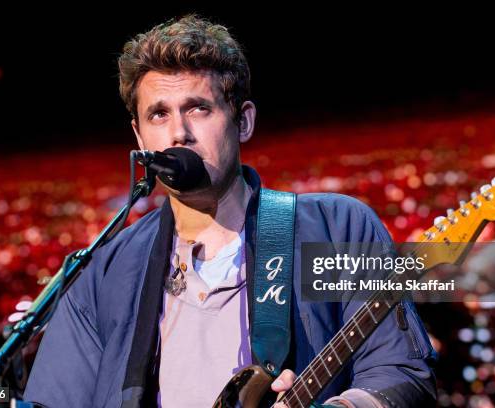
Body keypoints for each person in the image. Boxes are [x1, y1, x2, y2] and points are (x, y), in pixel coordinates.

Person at [23, 15, 437, 407]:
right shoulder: (102, 271)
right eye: (159, 114)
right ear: (139, 135)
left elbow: (401, 373)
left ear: (243, 122)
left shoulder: (337, 227)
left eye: (198, 108)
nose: (177, 133)